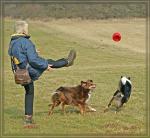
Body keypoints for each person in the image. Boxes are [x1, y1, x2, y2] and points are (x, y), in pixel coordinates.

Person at [8, 21, 76, 127]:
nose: (27, 30)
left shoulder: (13, 42)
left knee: (29, 92)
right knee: (48, 62)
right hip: (29, 71)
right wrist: (45, 66)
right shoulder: (26, 42)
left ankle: (28, 119)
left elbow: (18, 56)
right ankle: (67, 62)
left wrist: (33, 51)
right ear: (23, 30)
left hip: (20, 72)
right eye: (27, 28)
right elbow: (33, 60)